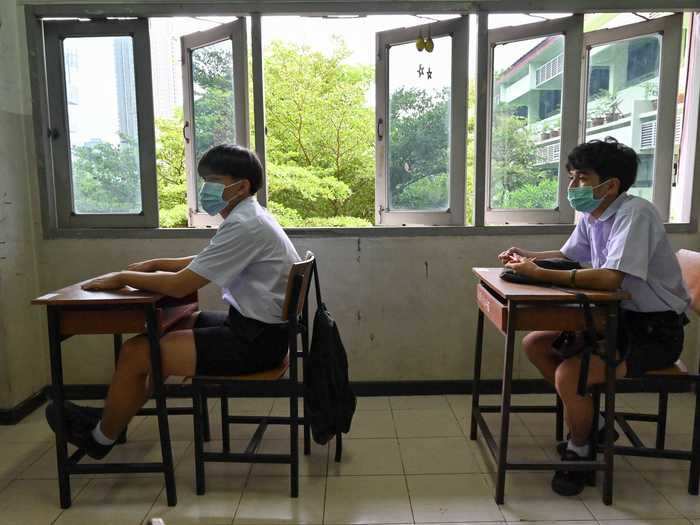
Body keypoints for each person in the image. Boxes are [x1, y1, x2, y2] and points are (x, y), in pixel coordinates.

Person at [46, 144, 300, 459]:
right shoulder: (251, 215)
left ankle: (100, 438)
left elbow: (180, 286)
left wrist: (124, 277)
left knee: (137, 352)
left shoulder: (245, 223)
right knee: (163, 333)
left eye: (213, 180)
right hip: (258, 330)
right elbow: (205, 260)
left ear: (242, 185)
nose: (206, 188)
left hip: (256, 343)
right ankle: (113, 418)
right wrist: (155, 264)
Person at [498, 137, 690, 496]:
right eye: (571, 177)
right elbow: (571, 255)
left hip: (655, 331)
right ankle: (597, 425)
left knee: (572, 375)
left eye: (581, 178)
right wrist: (531, 257)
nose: (572, 186)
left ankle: (580, 448)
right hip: (614, 320)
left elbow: (609, 277)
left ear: (611, 185)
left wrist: (540, 274)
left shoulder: (636, 214)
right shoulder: (593, 213)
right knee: (536, 344)